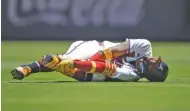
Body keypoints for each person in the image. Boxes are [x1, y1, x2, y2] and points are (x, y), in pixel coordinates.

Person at [11, 38, 168, 82]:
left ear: (149, 73)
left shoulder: (131, 74)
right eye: (157, 60)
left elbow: (100, 68)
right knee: (67, 59)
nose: (154, 59)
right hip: (95, 48)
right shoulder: (145, 47)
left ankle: (30, 68)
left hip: (94, 72)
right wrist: (76, 62)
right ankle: (29, 68)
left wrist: (76, 65)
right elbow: (111, 50)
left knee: (93, 76)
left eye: (155, 64)